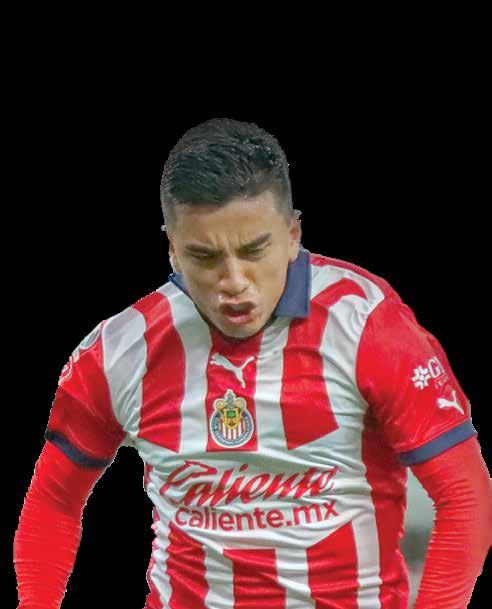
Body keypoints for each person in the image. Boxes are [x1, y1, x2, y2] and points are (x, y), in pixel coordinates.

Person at [14, 118, 491, 608]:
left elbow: (464, 496)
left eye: (253, 250)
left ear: (292, 233)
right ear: (173, 249)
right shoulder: (121, 348)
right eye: (205, 256)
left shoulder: (367, 325)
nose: (234, 280)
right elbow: (54, 501)